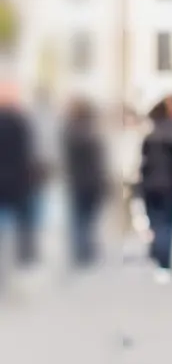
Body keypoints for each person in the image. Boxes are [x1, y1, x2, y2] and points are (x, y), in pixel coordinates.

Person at [139, 93, 172, 282]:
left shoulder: (151, 131)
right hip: (168, 182)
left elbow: (144, 158)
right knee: (166, 223)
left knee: (156, 221)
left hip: (150, 182)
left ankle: (157, 254)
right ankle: (164, 262)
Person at [61, 99, 108, 269]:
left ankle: (80, 251)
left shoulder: (69, 132)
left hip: (77, 181)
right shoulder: (92, 133)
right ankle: (86, 250)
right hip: (92, 182)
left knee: (78, 218)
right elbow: (99, 162)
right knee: (88, 218)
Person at [0, 79, 39, 271]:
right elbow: (26, 153)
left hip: (8, 179)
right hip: (17, 180)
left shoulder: (19, 121)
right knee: (24, 219)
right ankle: (25, 255)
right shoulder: (20, 122)